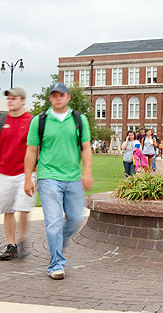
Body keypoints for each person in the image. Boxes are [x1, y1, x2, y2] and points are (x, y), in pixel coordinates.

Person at [23, 82, 93, 280]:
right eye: (54, 95)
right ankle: (56, 264)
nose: (58, 98)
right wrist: (28, 178)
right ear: (50, 99)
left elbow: (86, 148)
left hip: (73, 178)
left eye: (61, 94)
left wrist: (87, 172)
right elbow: (31, 150)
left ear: (68, 97)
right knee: (53, 223)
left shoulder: (79, 119)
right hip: (48, 177)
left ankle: (57, 243)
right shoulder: (39, 121)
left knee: (75, 219)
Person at [0, 87, 35, 260]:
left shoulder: (32, 122)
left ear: (23, 101)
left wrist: (37, 174)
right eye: (9, 98)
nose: (10, 101)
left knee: (23, 208)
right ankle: (12, 245)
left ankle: (21, 238)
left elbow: (38, 149)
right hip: (5, 173)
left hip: (26, 173)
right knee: (7, 210)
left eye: (14, 98)